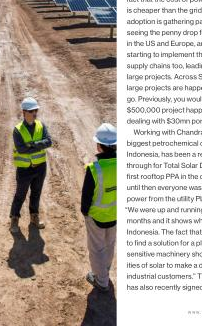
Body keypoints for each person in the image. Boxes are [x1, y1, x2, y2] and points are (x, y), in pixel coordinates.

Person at [81, 123, 117, 293]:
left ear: (99, 146)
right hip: (115, 215)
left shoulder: (94, 169)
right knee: (109, 246)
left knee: (96, 250)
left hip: (96, 217)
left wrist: (85, 212)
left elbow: (86, 197)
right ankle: (105, 272)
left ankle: (101, 280)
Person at [10, 97, 52, 232]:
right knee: (20, 195)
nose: (34, 113)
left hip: (40, 167)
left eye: (36, 111)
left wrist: (32, 144)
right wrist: (39, 145)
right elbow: (21, 149)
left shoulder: (41, 125)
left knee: (36, 193)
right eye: (31, 111)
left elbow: (49, 142)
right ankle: (14, 219)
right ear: (24, 112)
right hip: (24, 169)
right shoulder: (18, 130)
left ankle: (34, 216)